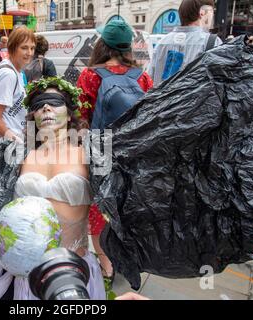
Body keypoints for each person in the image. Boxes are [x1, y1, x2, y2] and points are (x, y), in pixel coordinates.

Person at [0, 77, 106, 300]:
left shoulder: (91, 152)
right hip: (19, 275)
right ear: (32, 114)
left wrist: (105, 254)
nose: (45, 107)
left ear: (70, 110)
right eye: (38, 104)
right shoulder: (21, 154)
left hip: (68, 276)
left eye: (54, 101)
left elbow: (111, 209)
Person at [76, 19, 153, 286]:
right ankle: (127, 258)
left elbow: (81, 117)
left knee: (99, 210)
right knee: (128, 206)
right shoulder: (142, 76)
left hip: (102, 153)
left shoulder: (89, 76)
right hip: (134, 155)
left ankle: (106, 266)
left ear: (102, 45)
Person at [147, 0, 222, 87]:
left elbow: (149, 79)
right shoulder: (213, 42)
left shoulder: (162, 43)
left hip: (160, 99)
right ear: (202, 13)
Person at [0, 26, 36, 141]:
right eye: (24, 48)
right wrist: (15, 141)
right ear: (12, 48)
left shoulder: (16, 70)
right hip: (9, 146)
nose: (29, 53)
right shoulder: (8, 75)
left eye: (32, 48)